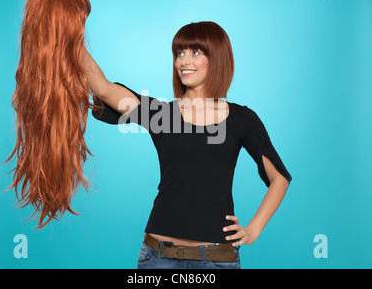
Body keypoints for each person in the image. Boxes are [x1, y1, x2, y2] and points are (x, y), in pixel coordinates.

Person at [84, 21, 293, 269]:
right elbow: (102, 87)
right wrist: (68, 34)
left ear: (216, 58)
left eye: (195, 52)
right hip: (158, 257)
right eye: (179, 53)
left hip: (217, 260)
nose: (184, 61)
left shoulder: (243, 119)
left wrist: (253, 230)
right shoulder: (161, 115)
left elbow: (279, 178)